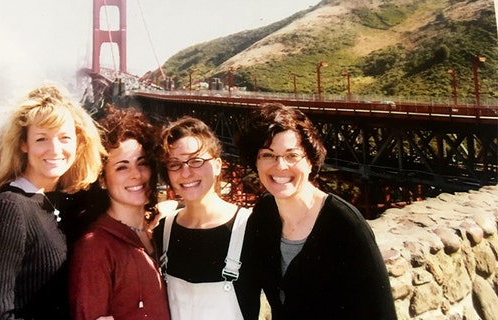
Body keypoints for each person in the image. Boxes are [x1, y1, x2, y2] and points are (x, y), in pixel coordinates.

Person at [237, 103, 397, 319]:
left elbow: (381, 313)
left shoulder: (345, 223)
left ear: (311, 161)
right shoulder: (264, 213)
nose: (280, 166)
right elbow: (246, 288)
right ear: (255, 162)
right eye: (268, 155)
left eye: (292, 155)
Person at [0, 83, 104, 320]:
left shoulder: (55, 201)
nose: (55, 149)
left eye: (64, 138)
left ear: (78, 142)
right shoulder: (8, 208)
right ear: (24, 144)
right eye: (42, 139)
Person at [152, 116, 279, 320]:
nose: (186, 173)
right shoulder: (162, 230)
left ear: (219, 165)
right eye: (175, 164)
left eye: (196, 161)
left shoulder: (251, 228)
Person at [68, 105, 171, 320]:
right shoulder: (95, 248)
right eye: (122, 167)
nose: (136, 175)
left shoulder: (155, 232)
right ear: (103, 180)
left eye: (142, 163)